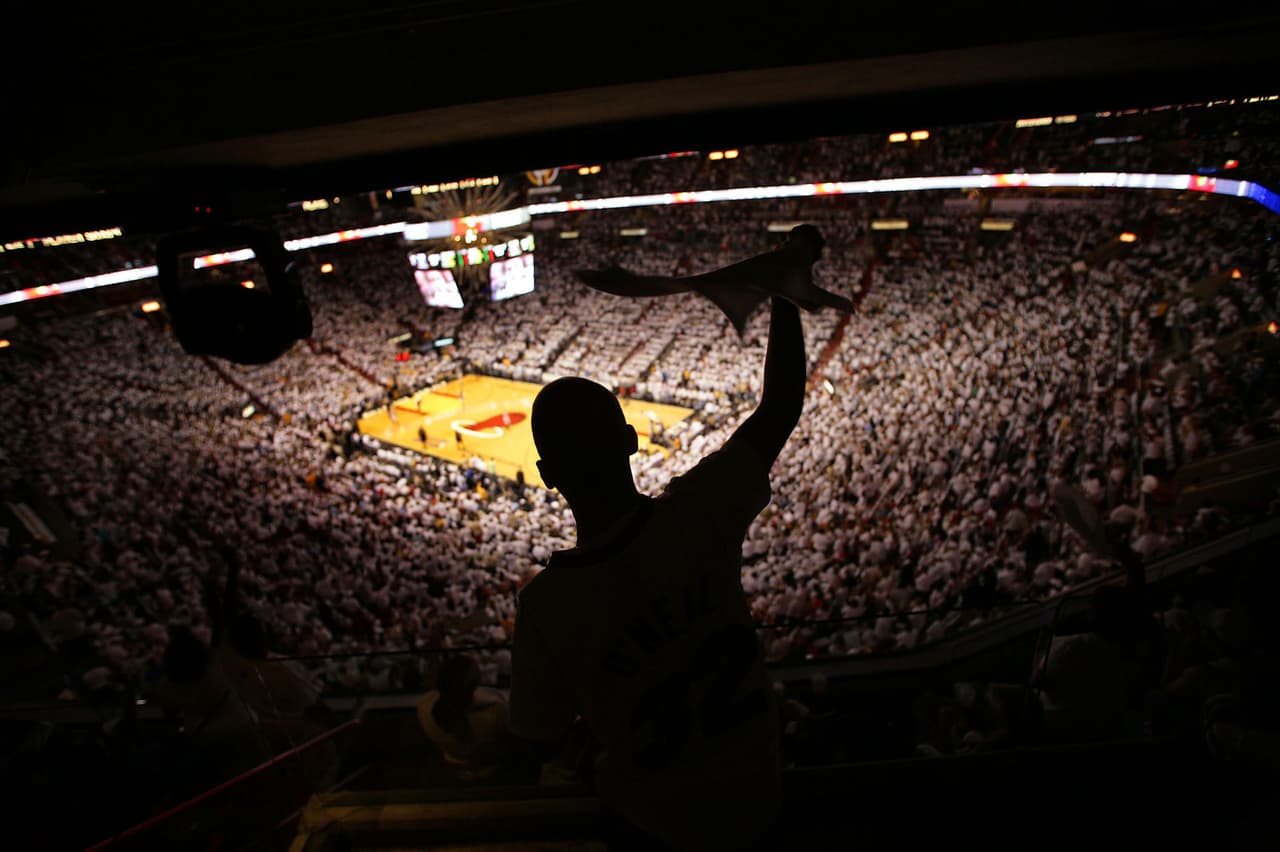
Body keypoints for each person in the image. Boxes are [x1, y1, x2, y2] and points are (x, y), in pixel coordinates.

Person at [509, 253, 815, 852]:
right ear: (629, 440)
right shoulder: (700, 514)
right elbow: (780, 405)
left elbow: (530, 743)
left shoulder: (546, 607)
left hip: (654, 827)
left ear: (546, 474)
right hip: (762, 803)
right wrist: (785, 292)